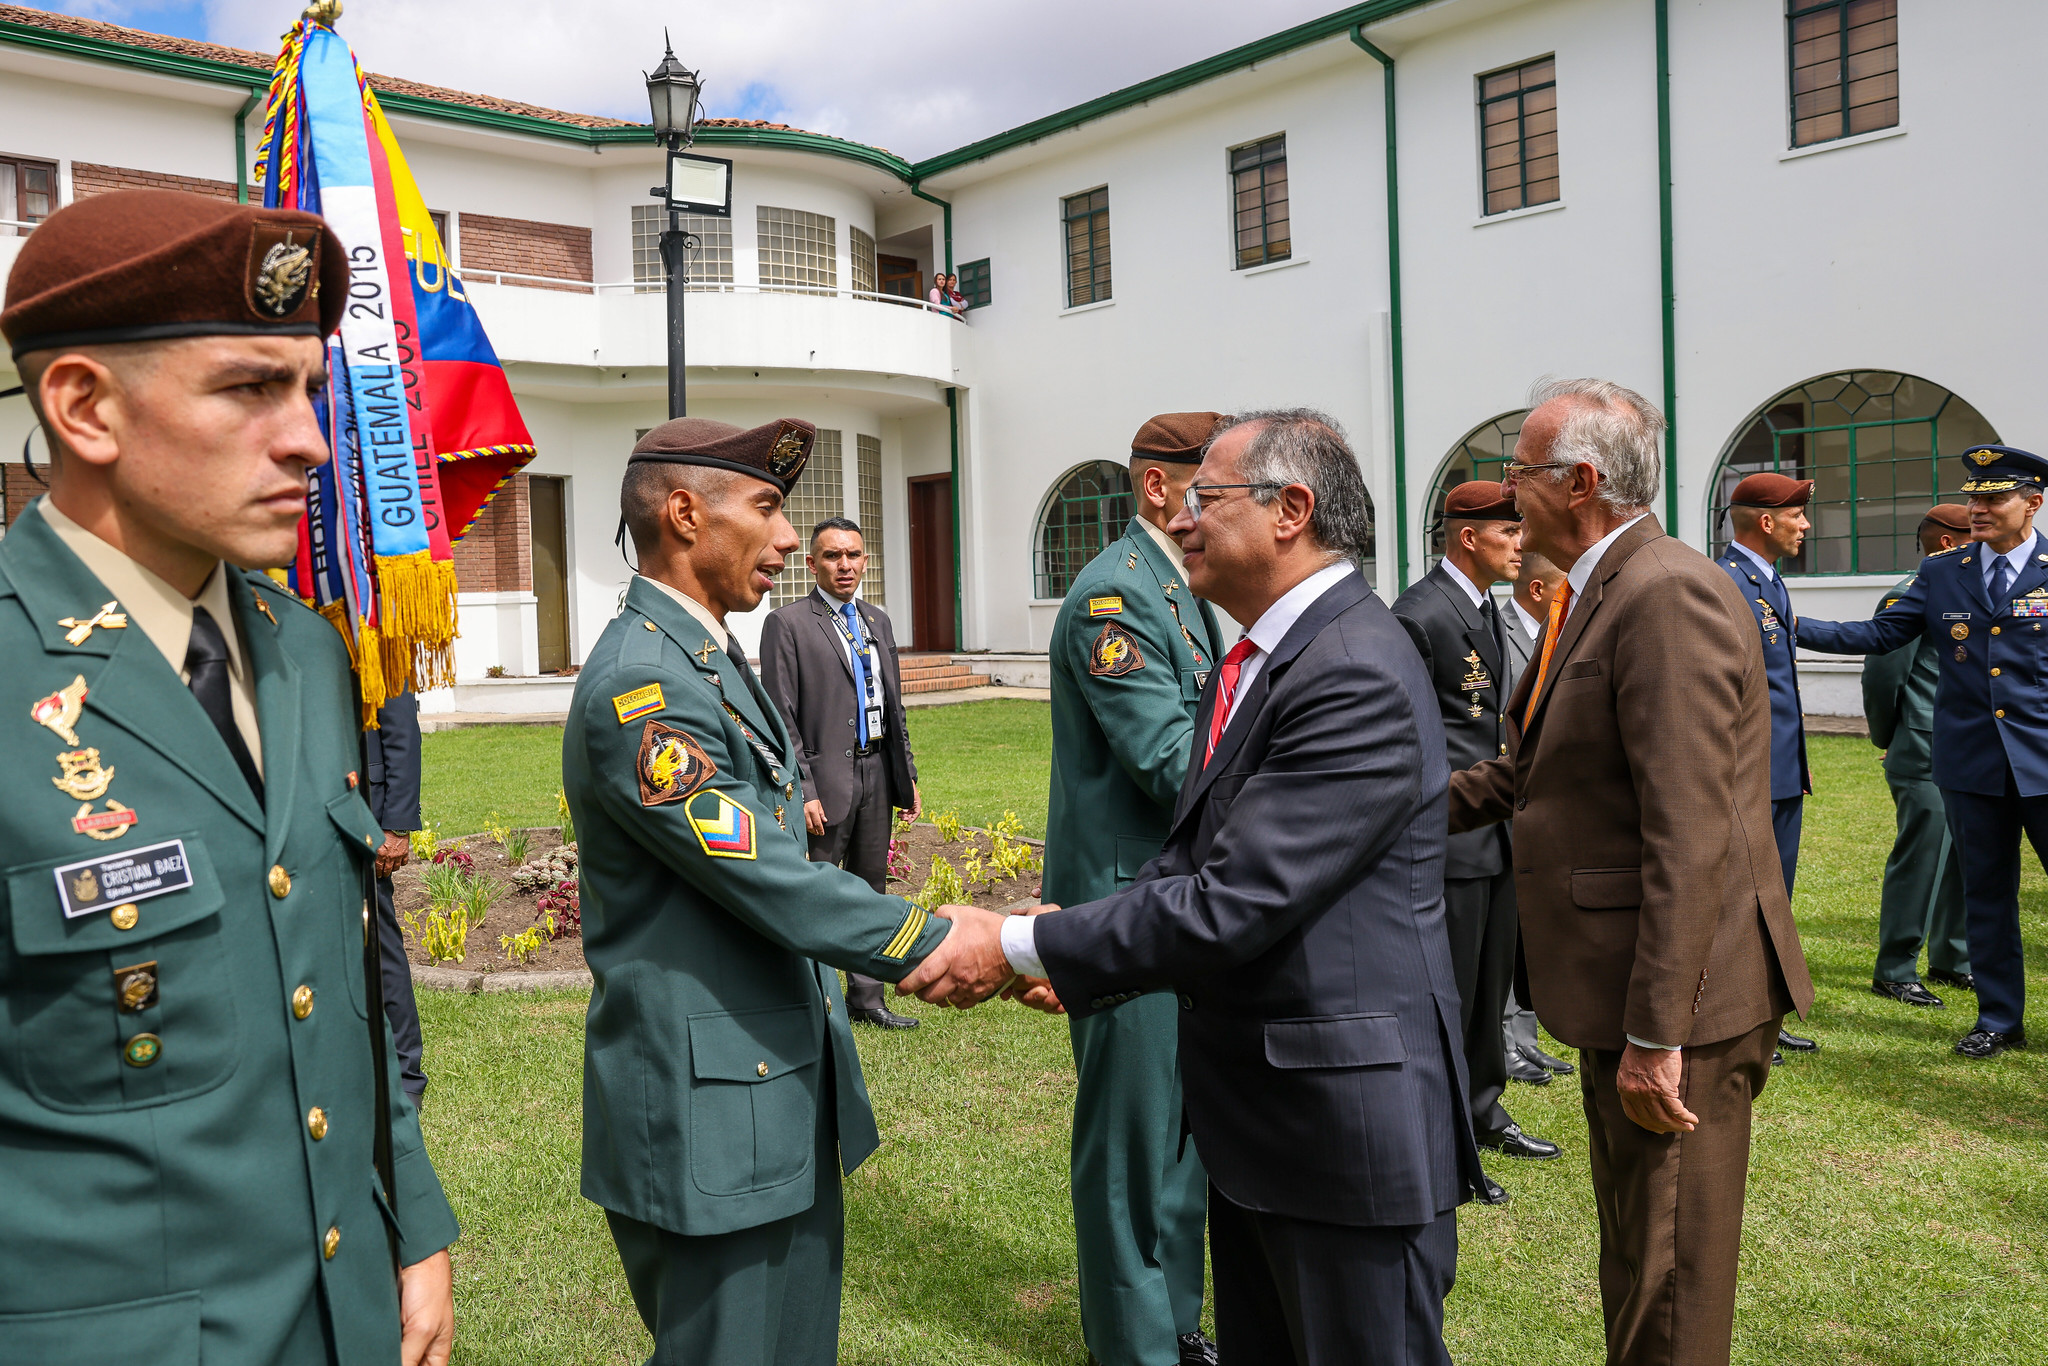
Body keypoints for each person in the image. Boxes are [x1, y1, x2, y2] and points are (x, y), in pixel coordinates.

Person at [916, 409, 1483, 1366]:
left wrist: (1017, 943)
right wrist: (1077, 946)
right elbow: (1204, 843)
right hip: (1277, 1130)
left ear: (1290, 510)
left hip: (1338, 1141)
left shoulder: (1348, 669)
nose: (1184, 521)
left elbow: (1234, 898)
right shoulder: (1280, 650)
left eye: (1207, 501)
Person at [0, 189, 458, 1364]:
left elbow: (342, 989)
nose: (309, 436)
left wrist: (412, 1223)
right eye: (252, 387)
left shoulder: (302, 645)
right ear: (85, 406)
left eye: (307, 388)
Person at [565, 414, 1007, 1365]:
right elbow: (765, 874)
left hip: (770, 1096)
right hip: (713, 1121)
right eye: (767, 509)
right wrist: (935, 938)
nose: (789, 540)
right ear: (685, 514)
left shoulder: (709, 655)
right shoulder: (643, 687)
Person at [1450, 377, 1813, 1366]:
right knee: (1635, 1264)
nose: (1504, 492)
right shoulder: (1597, 586)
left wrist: (1656, 1034)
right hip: (1625, 994)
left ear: (1575, 481)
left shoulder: (1662, 592)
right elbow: (1525, 773)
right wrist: (1365, 805)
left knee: (1668, 1289)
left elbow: (1689, 831)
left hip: (1679, 1008)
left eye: (1516, 472)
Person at [1042, 412, 1225, 1366]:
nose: (1226, 497)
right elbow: (1166, 757)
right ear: (1158, 487)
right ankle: (1134, 1347)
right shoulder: (1116, 593)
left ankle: (1177, 1321)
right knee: (1129, 1144)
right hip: (1121, 906)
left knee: (1183, 1131)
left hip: (1173, 900)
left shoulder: (1177, 585)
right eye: (1211, 480)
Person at [1794, 445, 2048, 1060]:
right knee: (1985, 893)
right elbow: (1879, 636)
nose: (1978, 509)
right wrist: (1783, 620)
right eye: (1973, 498)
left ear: (2032, 503)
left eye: (1994, 499)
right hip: (1971, 764)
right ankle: (1998, 1018)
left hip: (2043, 762)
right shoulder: (1943, 572)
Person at [1394, 482, 1559, 1200]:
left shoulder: (1488, 607)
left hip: (1498, 834)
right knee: (1451, 998)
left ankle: (1484, 1110)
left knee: (1489, 988)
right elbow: (1407, 732)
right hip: (1452, 835)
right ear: (1468, 536)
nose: (1521, 545)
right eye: (1508, 533)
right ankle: (1444, 1143)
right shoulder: (1420, 613)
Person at [760, 515, 924, 1030]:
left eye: (852, 555)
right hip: (824, 782)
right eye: (832, 556)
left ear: (865, 561)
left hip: (876, 769)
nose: (844, 565)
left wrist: (907, 772)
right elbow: (780, 716)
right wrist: (803, 788)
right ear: (811, 564)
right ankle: (811, 998)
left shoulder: (877, 621)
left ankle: (867, 998)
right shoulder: (787, 624)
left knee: (870, 890)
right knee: (818, 890)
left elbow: (893, 705)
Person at [1714, 474, 1826, 1059]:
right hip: (1752, 775)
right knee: (1747, 900)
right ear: (1766, 521)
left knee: (1776, 896)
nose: (1805, 525)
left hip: (1781, 772)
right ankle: (1744, 1018)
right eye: (1797, 516)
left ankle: (1766, 1016)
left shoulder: (1765, 582)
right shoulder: (1728, 583)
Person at [1861, 506, 1972, 1009]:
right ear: (1948, 544)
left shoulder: (1969, 590)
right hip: (1923, 746)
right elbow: (1884, 677)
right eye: (1976, 533)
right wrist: (1891, 737)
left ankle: (1953, 958)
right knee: (1923, 856)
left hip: (1967, 749)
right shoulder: (1908, 595)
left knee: (1965, 858)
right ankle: (1896, 968)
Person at [1498, 549, 1575, 1088]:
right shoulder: (1498, 632)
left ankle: (1526, 1035)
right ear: (1539, 594)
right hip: (1505, 794)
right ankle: (1505, 1040)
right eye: (1564, 595)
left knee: (1531, 925)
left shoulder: (1559, 635)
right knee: (1505, 925)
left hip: (1546, 802)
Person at [368, 689, 430, 1098]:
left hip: (365, 811)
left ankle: (405, 1075)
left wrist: (396, 825)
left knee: (378, 939)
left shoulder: (371, 625)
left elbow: (402, 729)